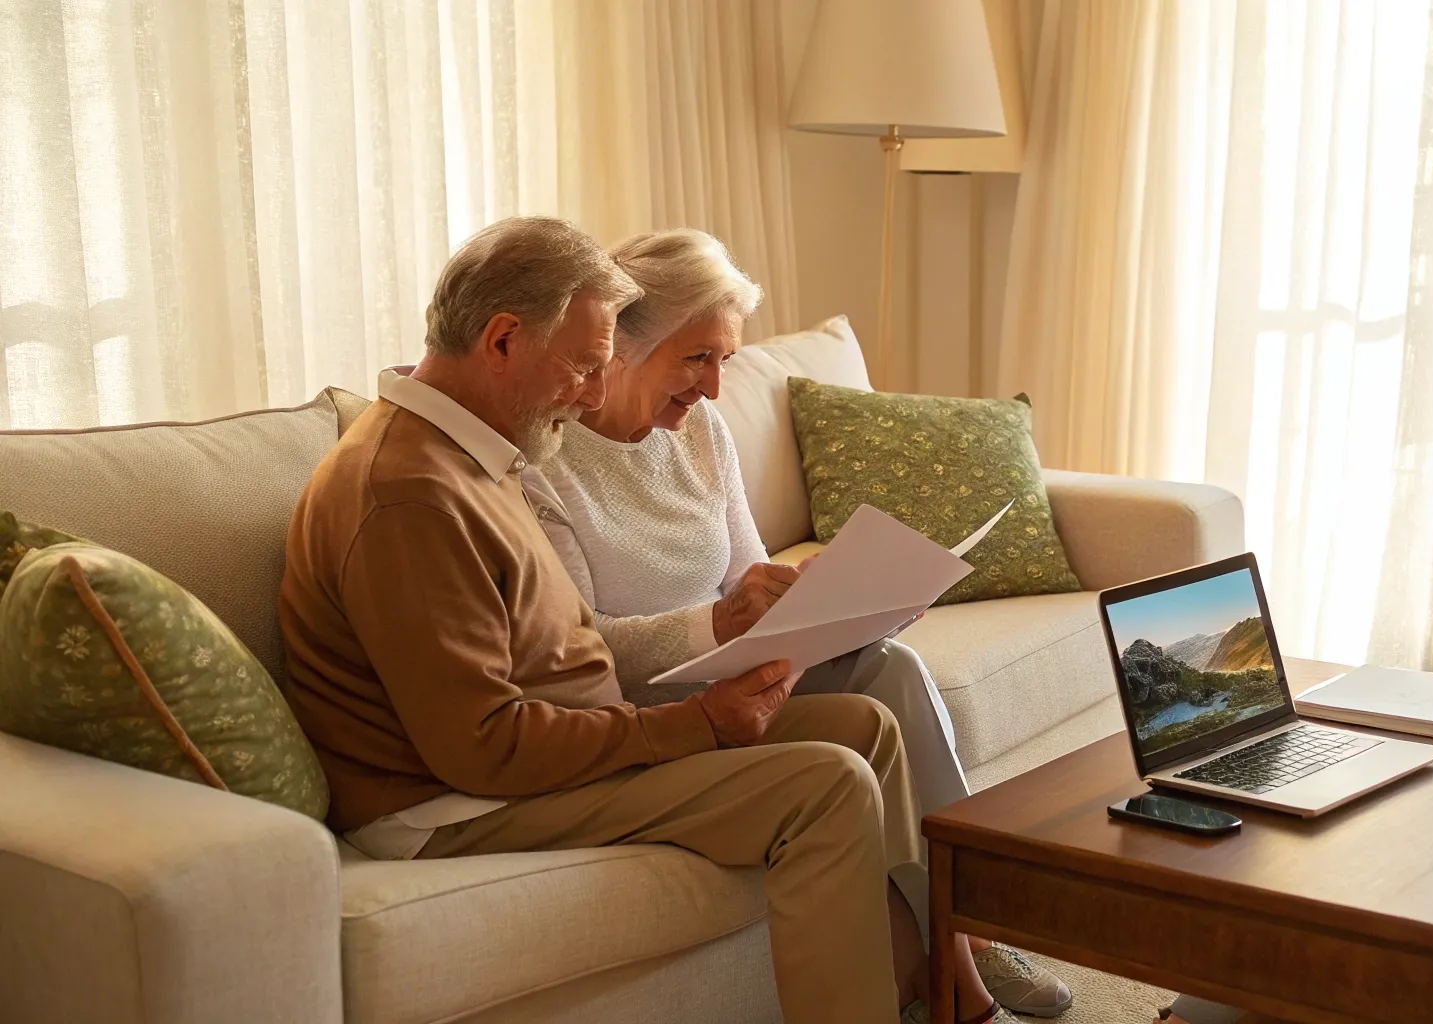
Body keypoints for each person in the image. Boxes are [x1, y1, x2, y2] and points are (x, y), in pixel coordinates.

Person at [278, 216, 946, 1024]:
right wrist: (695, 723)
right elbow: (483, 748)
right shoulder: (408, 493)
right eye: (586, 367)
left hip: (554, 751)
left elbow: (557, 652)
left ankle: (931, 979)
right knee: (825, 781)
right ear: (501, 341)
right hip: (450, 808)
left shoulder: (475, 450)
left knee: (865, 728)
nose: (596, 395)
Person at [521, 226, 1073, 1021]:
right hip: (656, 707)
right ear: (625, 345)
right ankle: (960, 970)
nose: (715, 389)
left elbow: (750, 569)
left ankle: (968, 935)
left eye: (726, 361)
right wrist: (716, 622)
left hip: (738, 663)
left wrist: (837, 600)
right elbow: (584, 652)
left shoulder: (699, 431)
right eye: (697, 358)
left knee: (890, 665)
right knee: (871, 709)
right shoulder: (547, 459)